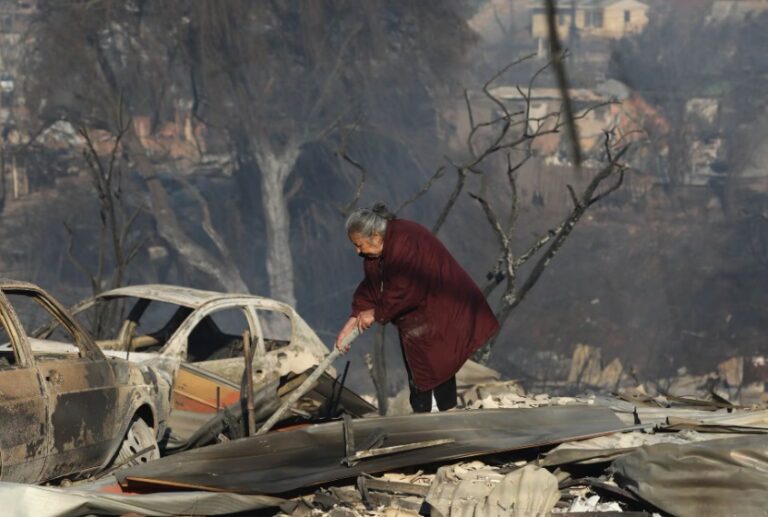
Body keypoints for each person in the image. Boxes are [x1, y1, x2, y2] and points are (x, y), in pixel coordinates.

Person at [335, 203, 499, 413]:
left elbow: (406, 288)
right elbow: (373, 284)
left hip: (444, 309)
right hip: (419, 321)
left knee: (438, 366)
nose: (358, 251)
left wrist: (375, 313)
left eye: (359, 244)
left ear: (375, 236)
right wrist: (355, 316)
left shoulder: (406, 242)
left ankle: (443, 419)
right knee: (425, 371)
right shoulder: (377, 252)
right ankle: (431, 416)